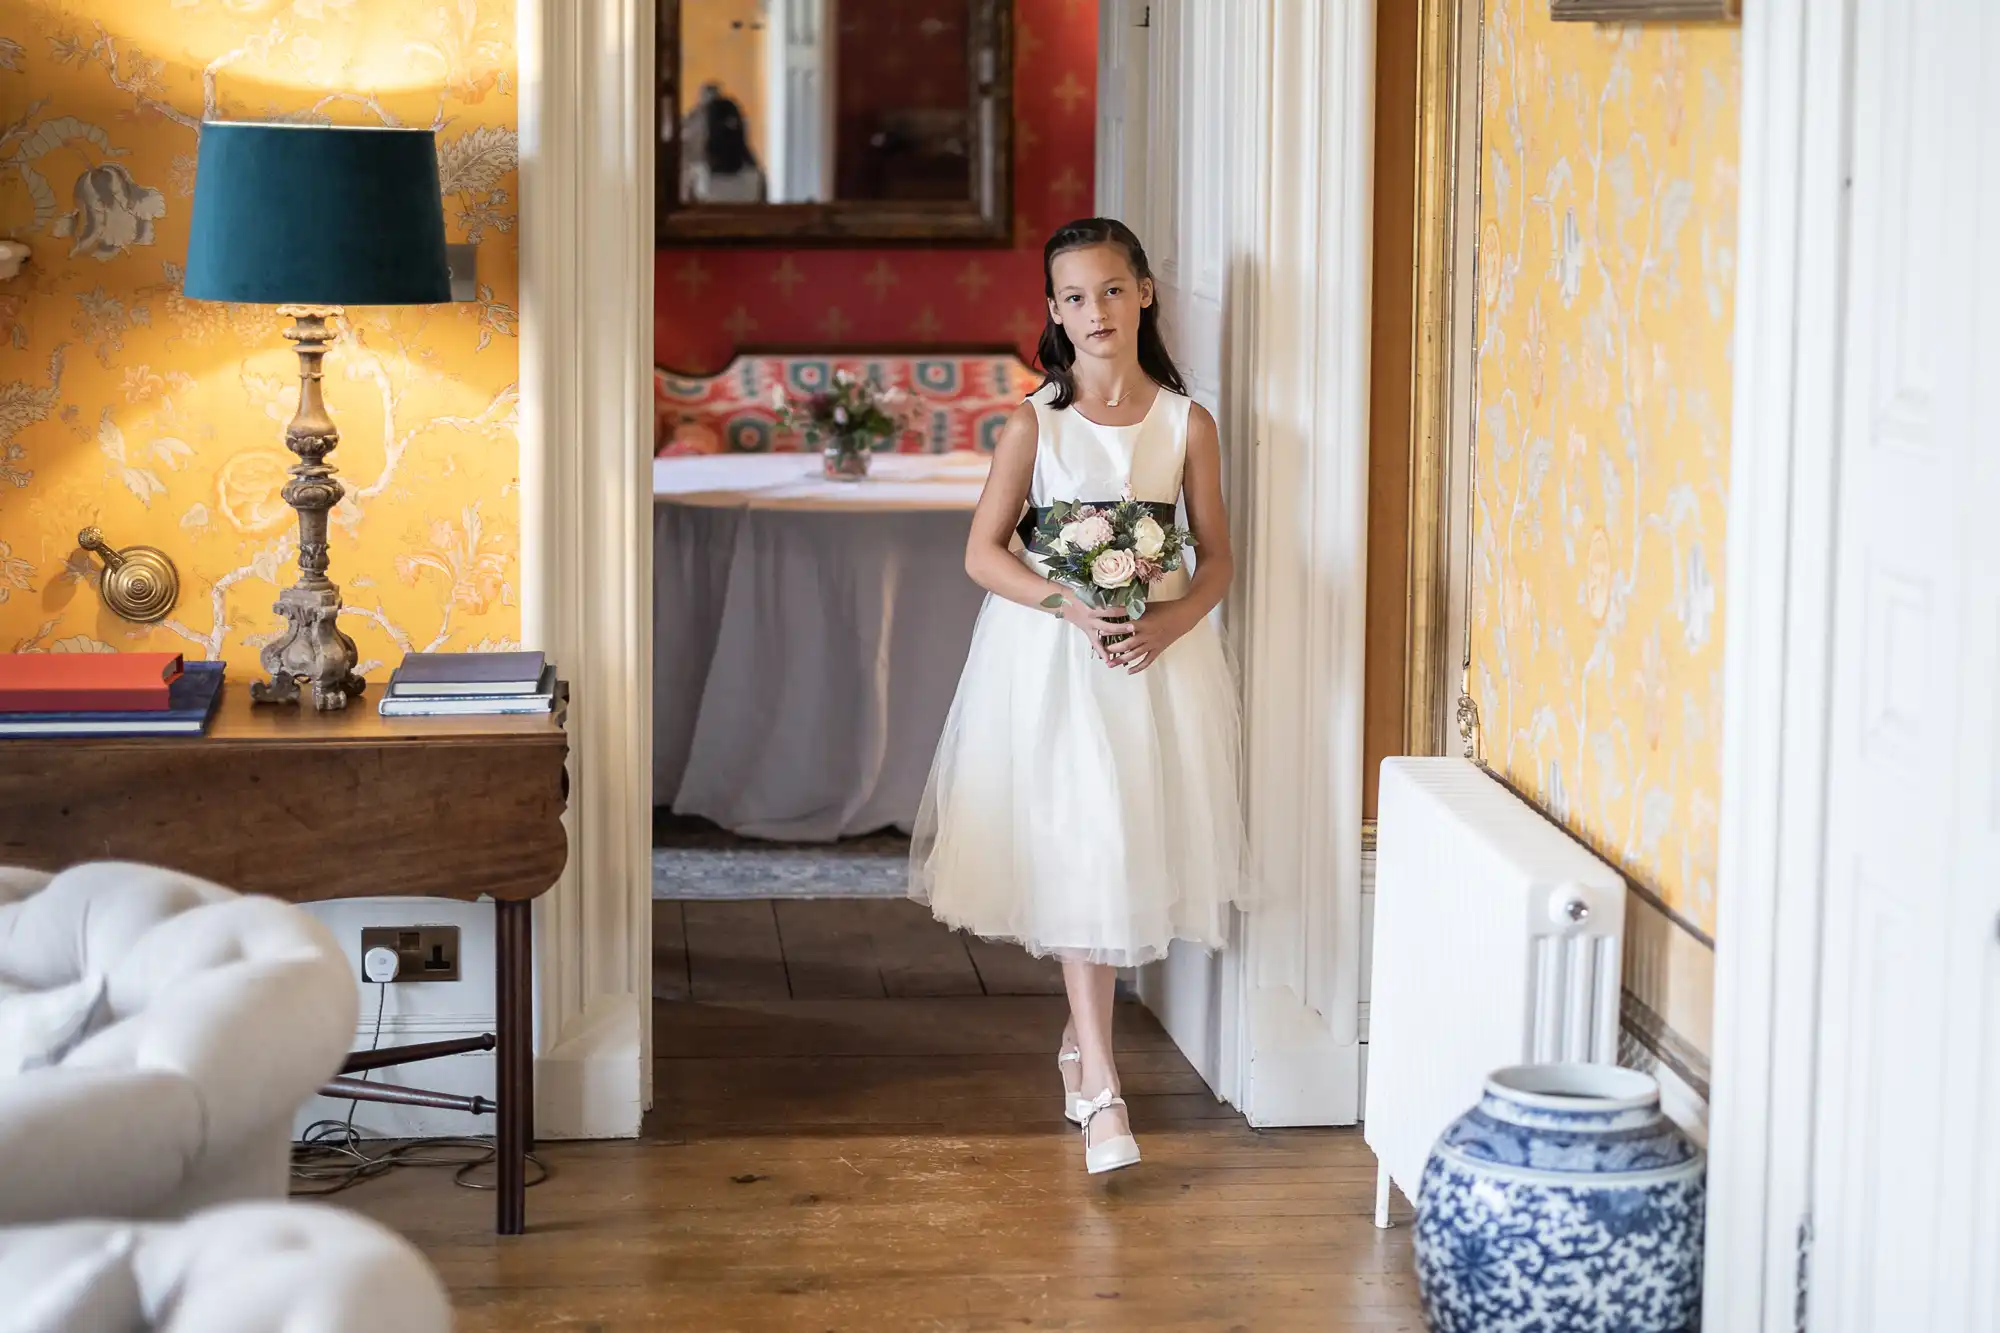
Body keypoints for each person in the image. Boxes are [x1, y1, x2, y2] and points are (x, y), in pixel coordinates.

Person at [910, 218, 1250, 1175]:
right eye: (1072, 297)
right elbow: (984, 551)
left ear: (1143, 293)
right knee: (1081, 840)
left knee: (1121, 845)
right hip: (1052, 664)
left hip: (1155, 662)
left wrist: (1172, 624)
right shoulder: (1037, 424)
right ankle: (1102, 1084)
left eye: (1109, 289)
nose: (1093, 311)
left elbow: (1217, 557)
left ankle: (1078, 1042)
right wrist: (1066, 604)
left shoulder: (1188, 424)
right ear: (1053, 314)